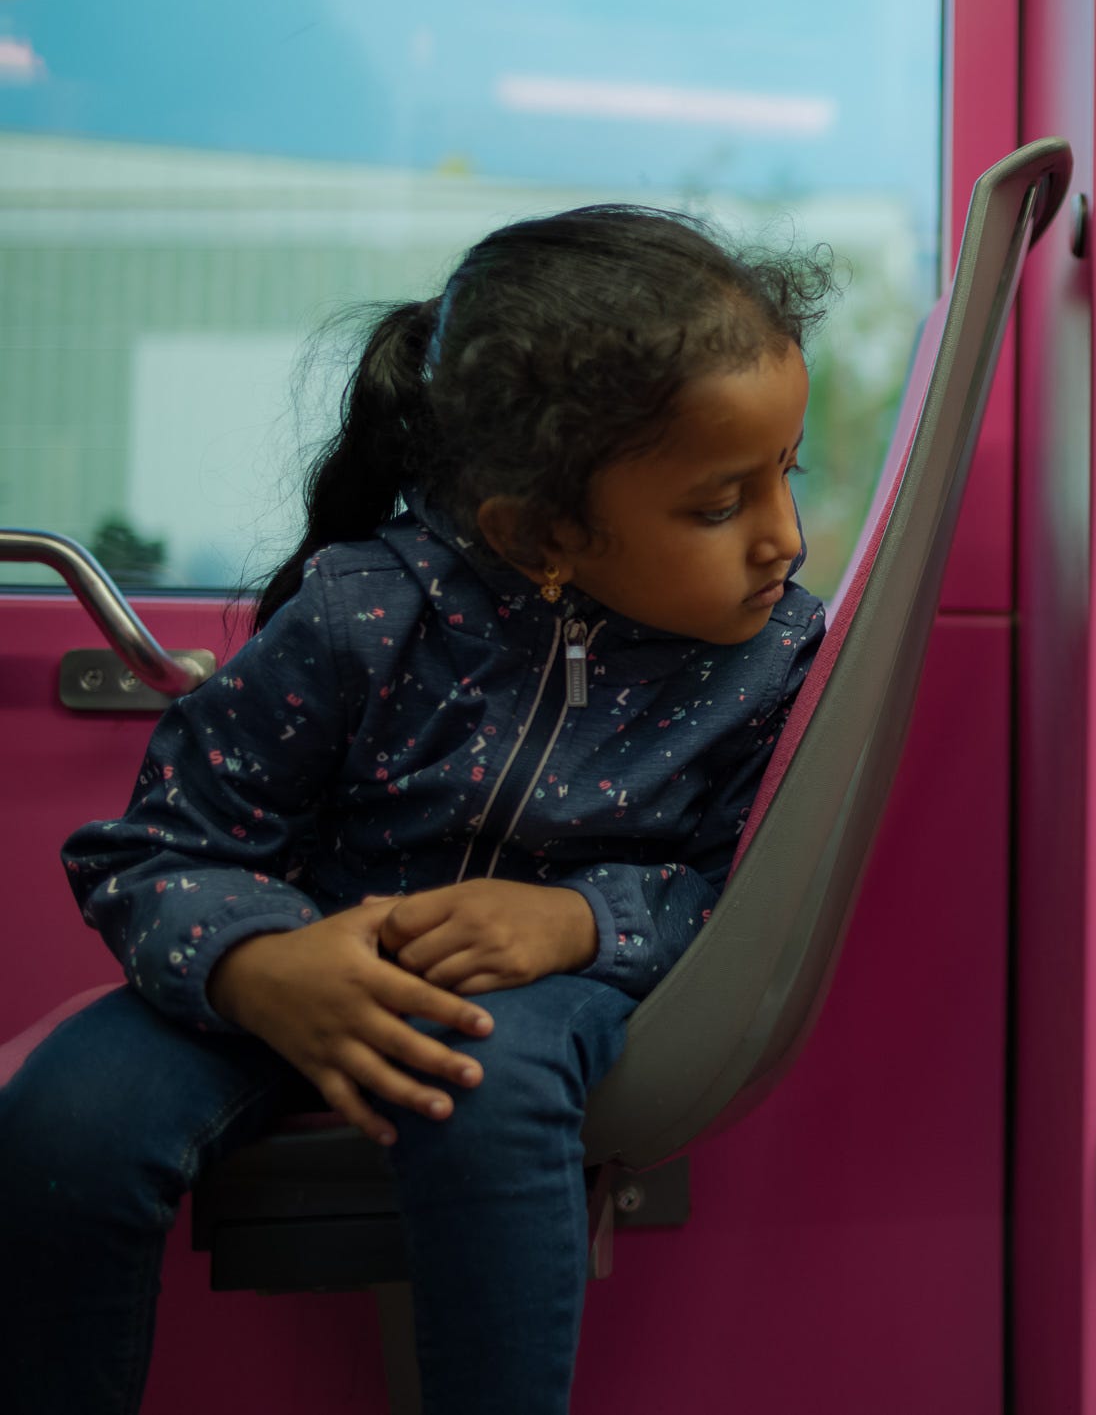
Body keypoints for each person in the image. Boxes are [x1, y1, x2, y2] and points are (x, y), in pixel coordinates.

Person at [0, 205, 833, 1415]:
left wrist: (574, 925)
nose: (784, 538)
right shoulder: (365, 612)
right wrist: (257, 964)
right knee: (62, 1124)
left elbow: (731, 897)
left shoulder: (771, 660)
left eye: (785, 475)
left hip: (549, 996)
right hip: (295, 958)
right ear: (539, 532)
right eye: (718, 505)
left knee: (486, 1086)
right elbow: (156, 848)